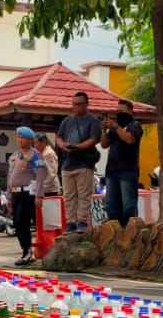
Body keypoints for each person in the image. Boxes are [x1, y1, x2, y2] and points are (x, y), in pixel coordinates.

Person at [56, 91, 103, 232]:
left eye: (79, 104)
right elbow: (59, 137)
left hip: (84, 164)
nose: (76, 107)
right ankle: (70, 222)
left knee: (84, 195)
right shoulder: (67, 121)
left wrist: (77, 147)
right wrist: (63, 145)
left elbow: (93, 139)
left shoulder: (93, 121)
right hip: (67, 164)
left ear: (86, 104)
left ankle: (82, 222)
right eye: (74, 104)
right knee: (69, 196)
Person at [99, 98, 143, 227]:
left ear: (130, 111)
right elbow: (104, 144)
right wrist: (103, 130)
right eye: (117, 110)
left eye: (121, 111)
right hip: (111, 170)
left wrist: (116, 126)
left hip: (128, 170)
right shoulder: (114, 127)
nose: (118, 113)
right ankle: (115, 230)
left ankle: (130, 230)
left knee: (128, 204)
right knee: (111, 204)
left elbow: (129, 139)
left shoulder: (135, 125)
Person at [7, 127, 44, 266]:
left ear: (30, 140)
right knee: (18, 223)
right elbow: (9, 178)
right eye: (18, 137)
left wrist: (39, 195)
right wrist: (9, 197)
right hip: (15, 193)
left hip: (28, 193)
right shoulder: (14, 156)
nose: (19, 140)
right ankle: (26, 250)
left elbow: (40, 176)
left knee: (26, 222)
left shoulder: (36, 155)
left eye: (22, 137)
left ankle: (30, 252)